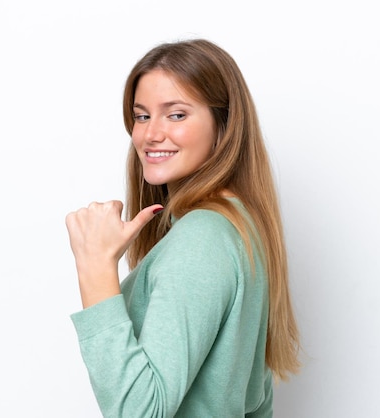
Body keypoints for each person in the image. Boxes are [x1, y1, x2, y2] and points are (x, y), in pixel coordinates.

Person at [65, 38, 300, 417]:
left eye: (176, 115)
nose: (150, 135)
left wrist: (95, 268)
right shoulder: (237, 225)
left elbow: (139, 412)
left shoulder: (202, 238)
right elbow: (255, 400)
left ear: (223, 125)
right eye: (142, 116)